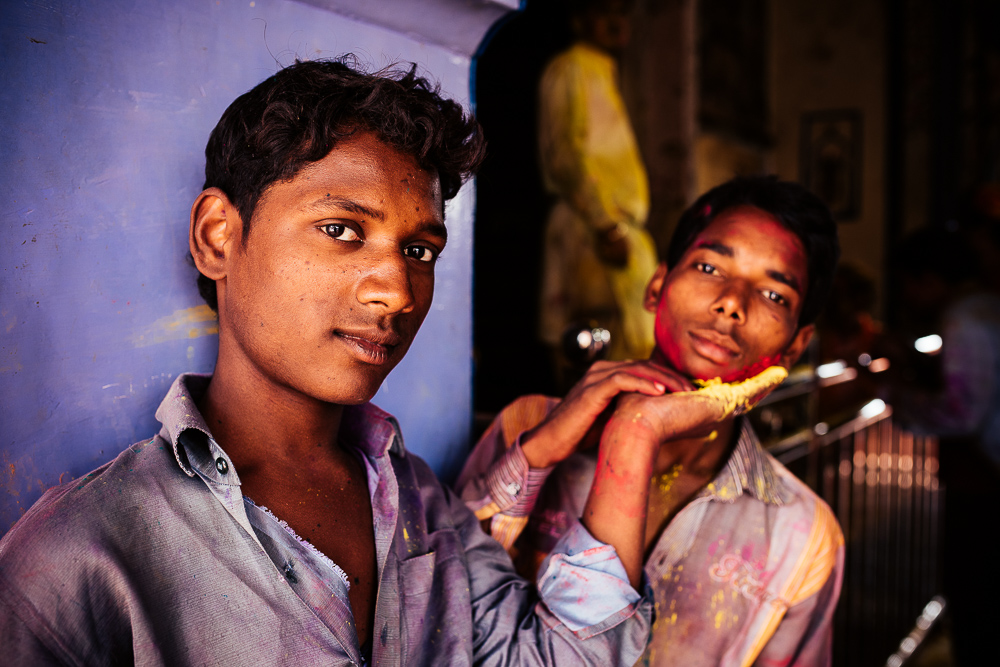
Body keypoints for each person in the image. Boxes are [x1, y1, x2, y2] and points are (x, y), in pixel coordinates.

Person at [0, 58, 687, 666]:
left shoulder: (420, 505)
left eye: (419, 251)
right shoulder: (79, 556)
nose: (397, 291)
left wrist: (631, 442)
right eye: (341, 230)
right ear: (218, 237)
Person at [458, 176, 845, 666]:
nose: (732, 303)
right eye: (709, 267)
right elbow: (439, 608)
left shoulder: (804, 533)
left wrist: (640, 423)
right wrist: (537, 455)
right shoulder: (532, 425)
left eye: (774, 295)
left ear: (795, 345)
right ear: (657, 286)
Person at [537, 0, 658, 374]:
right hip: (593, 229)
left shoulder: (604, 70)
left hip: (617, 230)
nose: (616, 21)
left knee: (633, 350)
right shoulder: (572, 67)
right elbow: (566, 156)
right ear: (580, 19)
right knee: (595, 350)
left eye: (622, 12)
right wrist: (606, 225)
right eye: (605, 11)